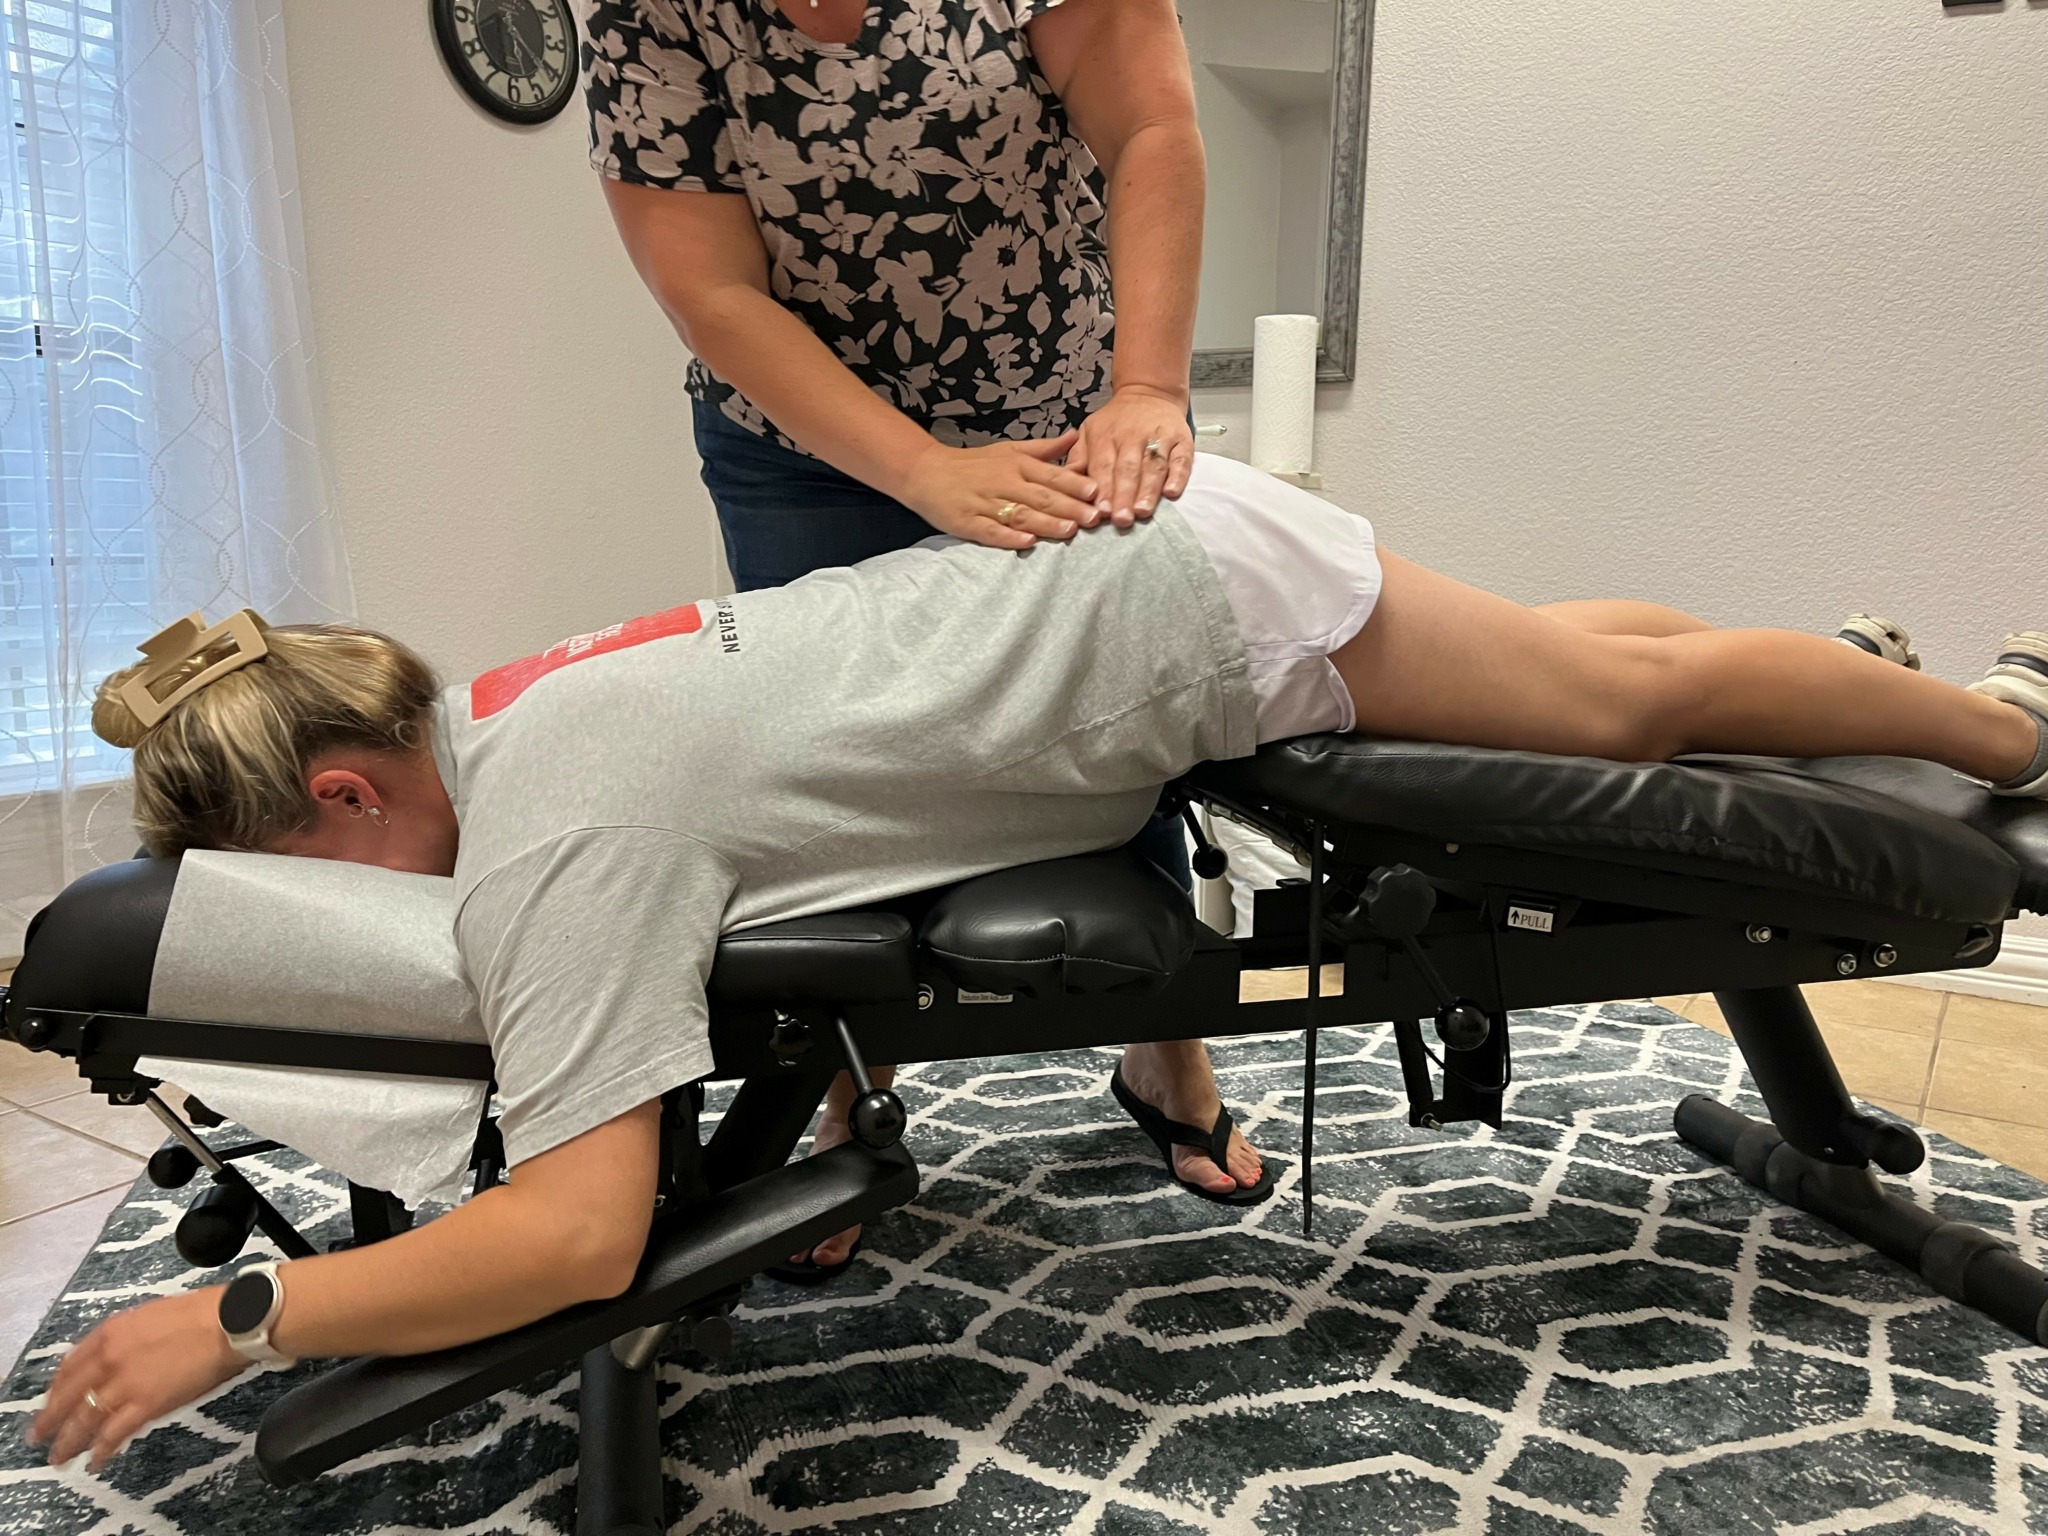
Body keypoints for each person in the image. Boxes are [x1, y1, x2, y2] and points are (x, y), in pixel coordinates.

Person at [32, 454, 2048, 1470]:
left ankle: (1996, 728)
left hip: (1165, 621)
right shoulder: (495, 711)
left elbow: (572, 1235)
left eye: (290, 887)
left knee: (1611, 714)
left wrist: (251, 1318)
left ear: (344, 795)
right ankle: (1838, 673)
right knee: (1552, 669)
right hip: (1117, 583)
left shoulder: (553, 831)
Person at [583, 0, 1247, 1257]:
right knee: (838, 759)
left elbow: (1151, 127)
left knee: (1122, 726)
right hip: (801, 442)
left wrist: (1150, 388)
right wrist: (922, 472)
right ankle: (852, 1090)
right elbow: (711, 285)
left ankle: (1167, 1052)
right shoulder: (649, 13)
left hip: (1058, 403)